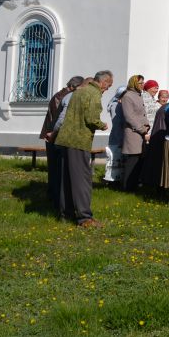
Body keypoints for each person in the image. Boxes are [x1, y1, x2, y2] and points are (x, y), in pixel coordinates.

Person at [56, 70, 112, 226]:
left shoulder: (79, 91)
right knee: (82, 180)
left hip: (66, 138)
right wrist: (102, 125)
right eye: (108, 85)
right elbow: (91, 118)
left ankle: (66, 214)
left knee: (66, 179)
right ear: (103, 82)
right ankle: (85, 218)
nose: (107, 89)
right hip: (79, 140)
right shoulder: (94, 93)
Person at [40, 75, 84, 209]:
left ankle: (55, 195)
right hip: (53, 135)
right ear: (75, 86)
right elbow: (59, 119)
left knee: (56, 168)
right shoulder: (62, 96)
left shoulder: (63, 94)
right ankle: (54, 196)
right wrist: (53, 134)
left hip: (54, 135)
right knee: (55, 168)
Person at [141, 87, 169, 190]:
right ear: (158, 97)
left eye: (166, 97)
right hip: (153, 133)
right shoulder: (156, 106)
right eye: (163, 97)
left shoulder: (168, 107)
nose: (165, 99)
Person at [119, 75, 151, 191]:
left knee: (139, 159)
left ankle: (134, 184)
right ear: (133, 83)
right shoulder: (128, 96)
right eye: (140, 83)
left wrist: (146, 125)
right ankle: (127, 186)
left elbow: (142, 113)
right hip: (133, 133)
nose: (143, 85)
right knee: (132, 160)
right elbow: (129, 117)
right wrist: (142, 129)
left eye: (143, 83)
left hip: (141, 131)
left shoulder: (138, 95)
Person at [104, 85, 127, 185]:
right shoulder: (115, 105)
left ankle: (119, 180)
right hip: (117, 136)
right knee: (115, 158)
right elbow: (117, 123)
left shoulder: (121, 104)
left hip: (121, 135)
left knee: (120, 160)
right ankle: (113, 181)